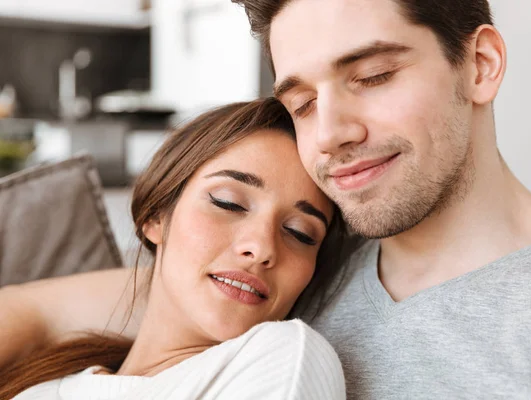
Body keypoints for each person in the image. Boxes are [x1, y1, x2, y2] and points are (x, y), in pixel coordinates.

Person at [2, 0, 531, 398]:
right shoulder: (300, 265)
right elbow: (36, 316)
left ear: (481, 64)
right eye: (303, 104)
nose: (331, 132)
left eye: (371, 76)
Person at [0, 98, 347, 399]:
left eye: (300, 233)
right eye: (228, 203)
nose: (261, 247)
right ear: (155, 217)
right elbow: (31, 306)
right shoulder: (45, 382)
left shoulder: (282, 355)